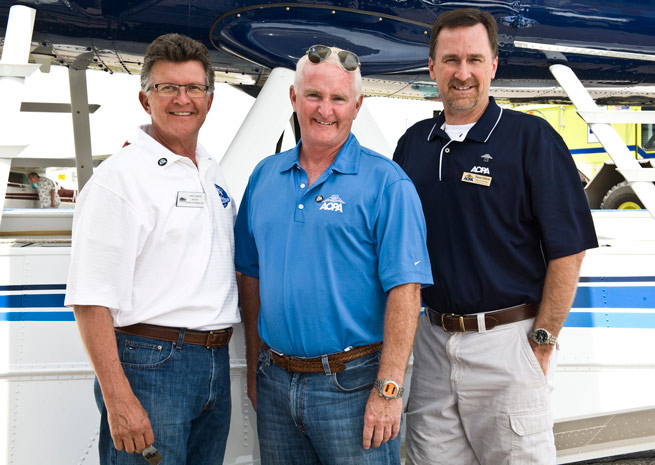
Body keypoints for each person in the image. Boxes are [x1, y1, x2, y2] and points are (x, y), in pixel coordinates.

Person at [392, 8, 599, 465]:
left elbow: (570, 250)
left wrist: (542, 341)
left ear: (493, 66)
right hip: (433, 343)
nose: (461, 73)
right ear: (431, 67)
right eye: (449, 60)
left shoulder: (532, 140)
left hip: (508, 344)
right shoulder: (413, 144)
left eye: (473, 59)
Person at [234, 45, 433, 465]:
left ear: (357, 105)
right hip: (275, 385)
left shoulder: (388, 184)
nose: (325, 110)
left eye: (338, 99)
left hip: (355, 388)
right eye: (313, 95)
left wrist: (389, 390)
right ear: (293, 98)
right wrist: (255, 366)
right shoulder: (263, 177)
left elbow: (406, 290)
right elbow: (249, 275)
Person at [64, 33, 239, 465]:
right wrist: (118, 398)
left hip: (214, 363)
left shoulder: (213, 171)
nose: (183, 99)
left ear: (210, 99)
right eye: (168, 88)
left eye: (194, 88)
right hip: (150, 367)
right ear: (146, 100)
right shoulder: (118, 180)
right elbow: (89, 299)